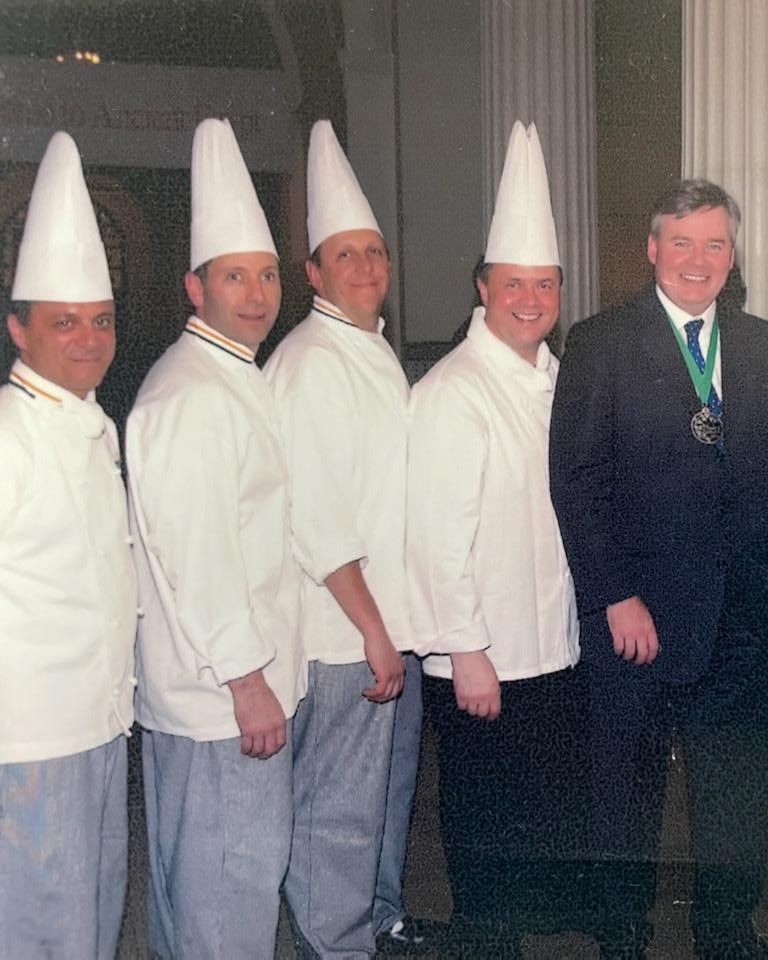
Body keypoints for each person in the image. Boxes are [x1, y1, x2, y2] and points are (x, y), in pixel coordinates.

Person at [549, 178, 768, 959]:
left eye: (714, 243)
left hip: (742, 620)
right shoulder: (599, 341)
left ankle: (727, 932)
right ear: (652, 250)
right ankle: (623, 935)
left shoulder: (766, 344)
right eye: (680, 243)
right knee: (625, 795)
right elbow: (576, 480)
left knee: (737, 799)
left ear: (733, 254)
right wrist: (615, 594)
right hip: (639, 619)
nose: (698, 260)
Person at [127, 117, 307, 959]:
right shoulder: (192, 394)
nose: (256, 292)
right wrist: (246, 679)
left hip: (228, 688)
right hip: (219, 697)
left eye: (267, 274)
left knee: (210, 887)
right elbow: (192, 555)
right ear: (193, 288)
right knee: (228, 888)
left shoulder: (233, 376)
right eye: (234, 276)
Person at [407, 121, 586, 958]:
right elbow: (436, 537)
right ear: (482, 287)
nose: (529, 298)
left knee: (534, 817)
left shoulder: (555, 378)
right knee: (484, 824)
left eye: (544, 283)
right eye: (513, 283)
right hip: (484, 654)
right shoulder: (455, 391)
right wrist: (465, 648)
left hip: (546, 646)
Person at [264, 119, 431, 958]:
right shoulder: (309, 362)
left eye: (375, 252)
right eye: (345, 255)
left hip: (390, 625)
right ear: (312, 273)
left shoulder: (372, 351)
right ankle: (338, 941)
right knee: (340, 800)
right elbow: (318, 518)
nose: (366, 267)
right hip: (344, 631)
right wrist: (372, 630)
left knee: (384, 794)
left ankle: (380, 918)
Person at [0, 131, 137, 960]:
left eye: (100, 321)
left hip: (97, 722)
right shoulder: (9, 437)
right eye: (63, 324)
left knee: (90, 918)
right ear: (19, 331)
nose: (87, 339)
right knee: (42, 928)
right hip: (30, 734)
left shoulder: (96, 424)